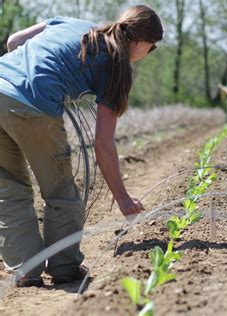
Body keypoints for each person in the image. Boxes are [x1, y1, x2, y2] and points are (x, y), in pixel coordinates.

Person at [0, 5, 163, 287]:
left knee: (9, 188)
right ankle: (64, 268)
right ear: (139, 43)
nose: (148, 56)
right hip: (33, 104)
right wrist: (123, 199)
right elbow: (102, 144)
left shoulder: (75, 22)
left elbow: (14, 40)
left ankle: (26, 269)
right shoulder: (117, 66)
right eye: (151, 48)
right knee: (61, 192)